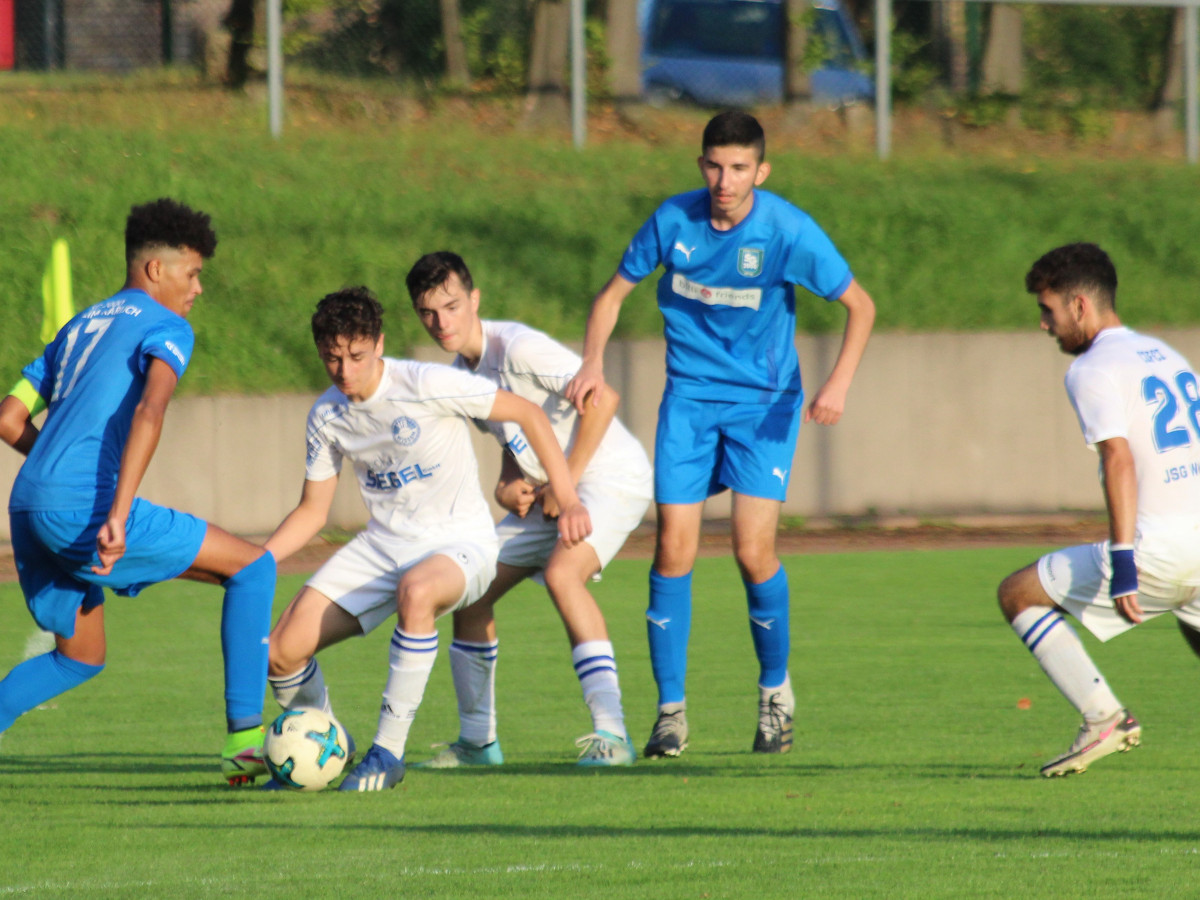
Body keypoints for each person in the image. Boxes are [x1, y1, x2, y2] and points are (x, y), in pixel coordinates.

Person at [565, 110, 876, 758]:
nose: (724, 179)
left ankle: (774, 693)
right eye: (713, 165)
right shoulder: (673, 221)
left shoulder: (787, 230)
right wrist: (591, 358)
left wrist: (838, 382)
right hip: (689, 404)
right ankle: (671, 713)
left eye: (738, 168)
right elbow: (612, 295)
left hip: (764, 405)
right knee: (673, 549)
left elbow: (860, 305)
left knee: (750, 551)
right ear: (700, 164)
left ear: (761, 171)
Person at [263, 286, 591, 792]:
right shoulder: (327, 416)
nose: (344, 371)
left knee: (418, 590)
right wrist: (258, 562)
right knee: (281, 650)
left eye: (355, 356)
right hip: (383, 546)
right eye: (332, 359)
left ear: (379, 344)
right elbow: (312, 511)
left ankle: (387, 754)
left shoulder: (426, 383)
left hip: (461, 545)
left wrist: (567, 498)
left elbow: (528, 414)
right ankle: (329, 749)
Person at [0, 198, 277, 785]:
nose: (198, 288)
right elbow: (151, 409)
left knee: (79, 657)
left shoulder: (79, 325)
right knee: (253, 568)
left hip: (27, 505)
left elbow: (7, 417)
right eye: (193, 273)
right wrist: (118, 513)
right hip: (84, 507)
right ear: (157, 270)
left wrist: (50, 460)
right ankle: (246, 749)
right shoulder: (166, 325)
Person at [405, 251, 653, 767]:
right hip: (559, 493)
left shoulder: (516, 348)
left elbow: (602, 398)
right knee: (468, 588)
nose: (442, 322)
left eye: (452, 306)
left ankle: (613, 735)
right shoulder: (462, 375)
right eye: (428, 313)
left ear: (475, 300)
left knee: (565, 575)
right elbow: (515, 441)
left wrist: (569, 491)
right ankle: (478, 742)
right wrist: (507, 485)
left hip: (610, 477)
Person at [999, 242, 1200, 777]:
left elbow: (1119, 459)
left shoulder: (1091, 369)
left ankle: (1102, 718)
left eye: (1049, 310)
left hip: (1161, 546)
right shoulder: (1165, 354)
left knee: (1018, 594)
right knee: (1192, 620)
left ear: (1080, 307)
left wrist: (1125, 559)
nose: (1045, 325)